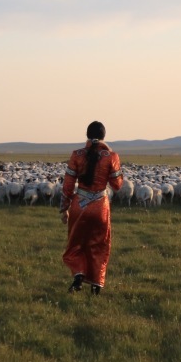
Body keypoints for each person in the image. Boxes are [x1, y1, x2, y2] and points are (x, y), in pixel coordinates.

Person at [59, 121, 124, 294]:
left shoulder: (77, 155)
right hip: (100, 206)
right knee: (99, 244)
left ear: (87, 135)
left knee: (76, 243)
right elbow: (117, 185)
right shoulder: (111, 156)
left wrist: (63, 208)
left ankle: (78, 275)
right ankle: (96, 285)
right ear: (104, 136)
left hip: (79, 205)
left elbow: (67, 185)